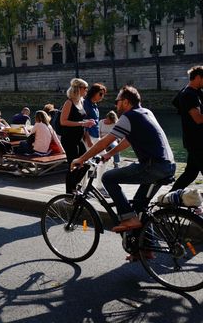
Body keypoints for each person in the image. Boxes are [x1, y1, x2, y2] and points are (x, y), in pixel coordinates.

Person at [71, 86, 175, 243]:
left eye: (117, 101)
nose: (115, 105)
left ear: (126, 102)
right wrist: (109, 155)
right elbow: (127, 140)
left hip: (153, 167)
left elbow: (105, 141)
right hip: (168, 165)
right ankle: (145, 248)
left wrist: (82, 159)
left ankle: (127, 219)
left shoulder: (128, 116)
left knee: (108, 178)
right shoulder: (146, 112)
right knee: (140, 206)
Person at [60, 78, 96, 194]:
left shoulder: (81, 102)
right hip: (69, 139)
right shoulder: (69, 102)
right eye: (85, 88)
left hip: (79, 138)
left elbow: (78, 119)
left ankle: (74, 187)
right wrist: (82, 123)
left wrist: (87, 122)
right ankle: (69, 193)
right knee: (74, 164)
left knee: (85, 163)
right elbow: (63, 121)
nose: (87, 90)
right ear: (78, 89)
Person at [171, 66, 203, 192]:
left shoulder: (193, 92)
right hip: (197, 142)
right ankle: (168, 200)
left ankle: (168, 199)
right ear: (199, 78)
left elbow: (175, 102)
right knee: (190, 173)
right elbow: (198, 118)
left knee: (190, 173)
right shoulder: (188, 94)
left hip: (195, 140)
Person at [83, 83, 107, 148]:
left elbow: (96, 122)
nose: (102, 96)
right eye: (100, 94)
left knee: (104, 156)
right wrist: (88, 140)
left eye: (103, 94)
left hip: (96, 136)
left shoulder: (94, 105)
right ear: (94, 93)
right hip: (89, 137)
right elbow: (83, 122)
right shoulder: (85, 104)